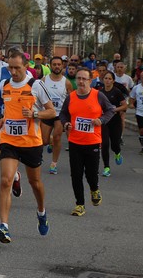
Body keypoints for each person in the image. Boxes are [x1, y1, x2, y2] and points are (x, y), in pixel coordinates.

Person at [0, 51, 55, 243]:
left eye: (17, 68)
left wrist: (35, 115)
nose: (13, 71)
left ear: (26, 67)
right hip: (9, 140)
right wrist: (1, 120)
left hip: (31, 142)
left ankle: (41, 212)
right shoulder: (5, 85)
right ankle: (4, 226)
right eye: (10, 67)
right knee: (5, 181)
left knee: (35, 183)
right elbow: (6, 109)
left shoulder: (35, 85)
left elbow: (51, 111)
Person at [60, 67, 115, 217]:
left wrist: (101, 120)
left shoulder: (98, 95)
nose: (81, 81)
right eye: (79, 78)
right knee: (76, 174)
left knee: (91, 174)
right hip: (75, 142)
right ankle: (79, 204)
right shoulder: (70, 97)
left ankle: (94, 189)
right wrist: (66, 124)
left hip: (92, 142)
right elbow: (63, 114)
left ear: (90, 81)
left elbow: (111, 110)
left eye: (84, 79)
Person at [41, 56, 73, 175]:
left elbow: (72, 99)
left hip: (60, 114)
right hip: (48, 112)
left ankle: (54, 164)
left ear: (62, 66)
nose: (57, 66)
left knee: (57, 137)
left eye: (59, 64)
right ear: (50, 66)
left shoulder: (66, 82)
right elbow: (39, 96)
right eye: (54, 64)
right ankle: (50, 142)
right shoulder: (44, 80)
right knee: (44, 140)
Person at [99, 71, 126, 177]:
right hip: (104, 122)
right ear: (103, 80)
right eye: (106, 78)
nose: (107, 80)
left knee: (115, 144)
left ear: (113, 81)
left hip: (115, 122)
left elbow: (125, 106)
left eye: (110, 79)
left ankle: (117, 152)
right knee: (104, 144)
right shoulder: (100, 93)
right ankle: (106, 167)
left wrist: (115, 109)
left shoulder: (117, 92)